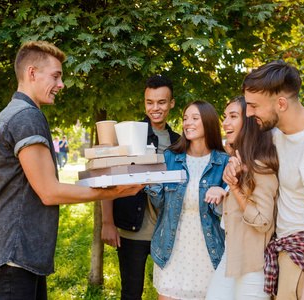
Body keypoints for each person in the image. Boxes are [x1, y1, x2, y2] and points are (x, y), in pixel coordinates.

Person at [0, 40, 143, 300]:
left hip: (19, 254)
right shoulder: (26, 117)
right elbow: (50, 192)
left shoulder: (19, 112)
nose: (61, 85)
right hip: (13, 254)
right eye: (56, 76)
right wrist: (114, 192)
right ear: (32, 73)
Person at [226, 60, 304, 299]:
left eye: (253, 106)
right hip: (286, 252)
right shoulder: (279, 134)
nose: (249, 113)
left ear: (281, 104)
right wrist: (240, 166)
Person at [101, 74, 180, 300]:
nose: (155, 108)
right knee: (131, 293)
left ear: (171, 103)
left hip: (167, 233)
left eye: (161, 102)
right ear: (144, 102)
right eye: (149, 102)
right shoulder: (128, 135)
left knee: (170, 293)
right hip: (131, 230)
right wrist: (107, 222)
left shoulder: (179, 142)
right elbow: (108, 177)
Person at [146, 100, 230, 300]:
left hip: (208, 251)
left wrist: (224, 194)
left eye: (194, 118)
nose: (187, 123)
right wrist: (150, 185)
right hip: (171, 248)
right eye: (185, 119)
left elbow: (231, 211)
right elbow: (160, 205)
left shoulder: (224, 161)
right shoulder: (170, 158)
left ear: (208, 122)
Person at [205, 95, 279, 300]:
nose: (224, 123)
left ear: (248, 123)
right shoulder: (242, 163)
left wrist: (235, 189)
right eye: (225, 116)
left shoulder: (261, 167)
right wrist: (226, 193)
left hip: (253, 264)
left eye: (233, 116)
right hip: (233, 256)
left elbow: (263, 221)